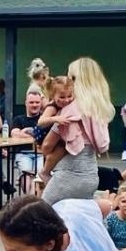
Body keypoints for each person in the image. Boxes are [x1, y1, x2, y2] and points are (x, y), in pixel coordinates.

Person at [40, 59, 113, 205]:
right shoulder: (99, 108)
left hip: (69, 175)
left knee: (41, 216)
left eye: (70, 78)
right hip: (91, 175)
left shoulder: (72, 109)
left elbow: (47, 146)